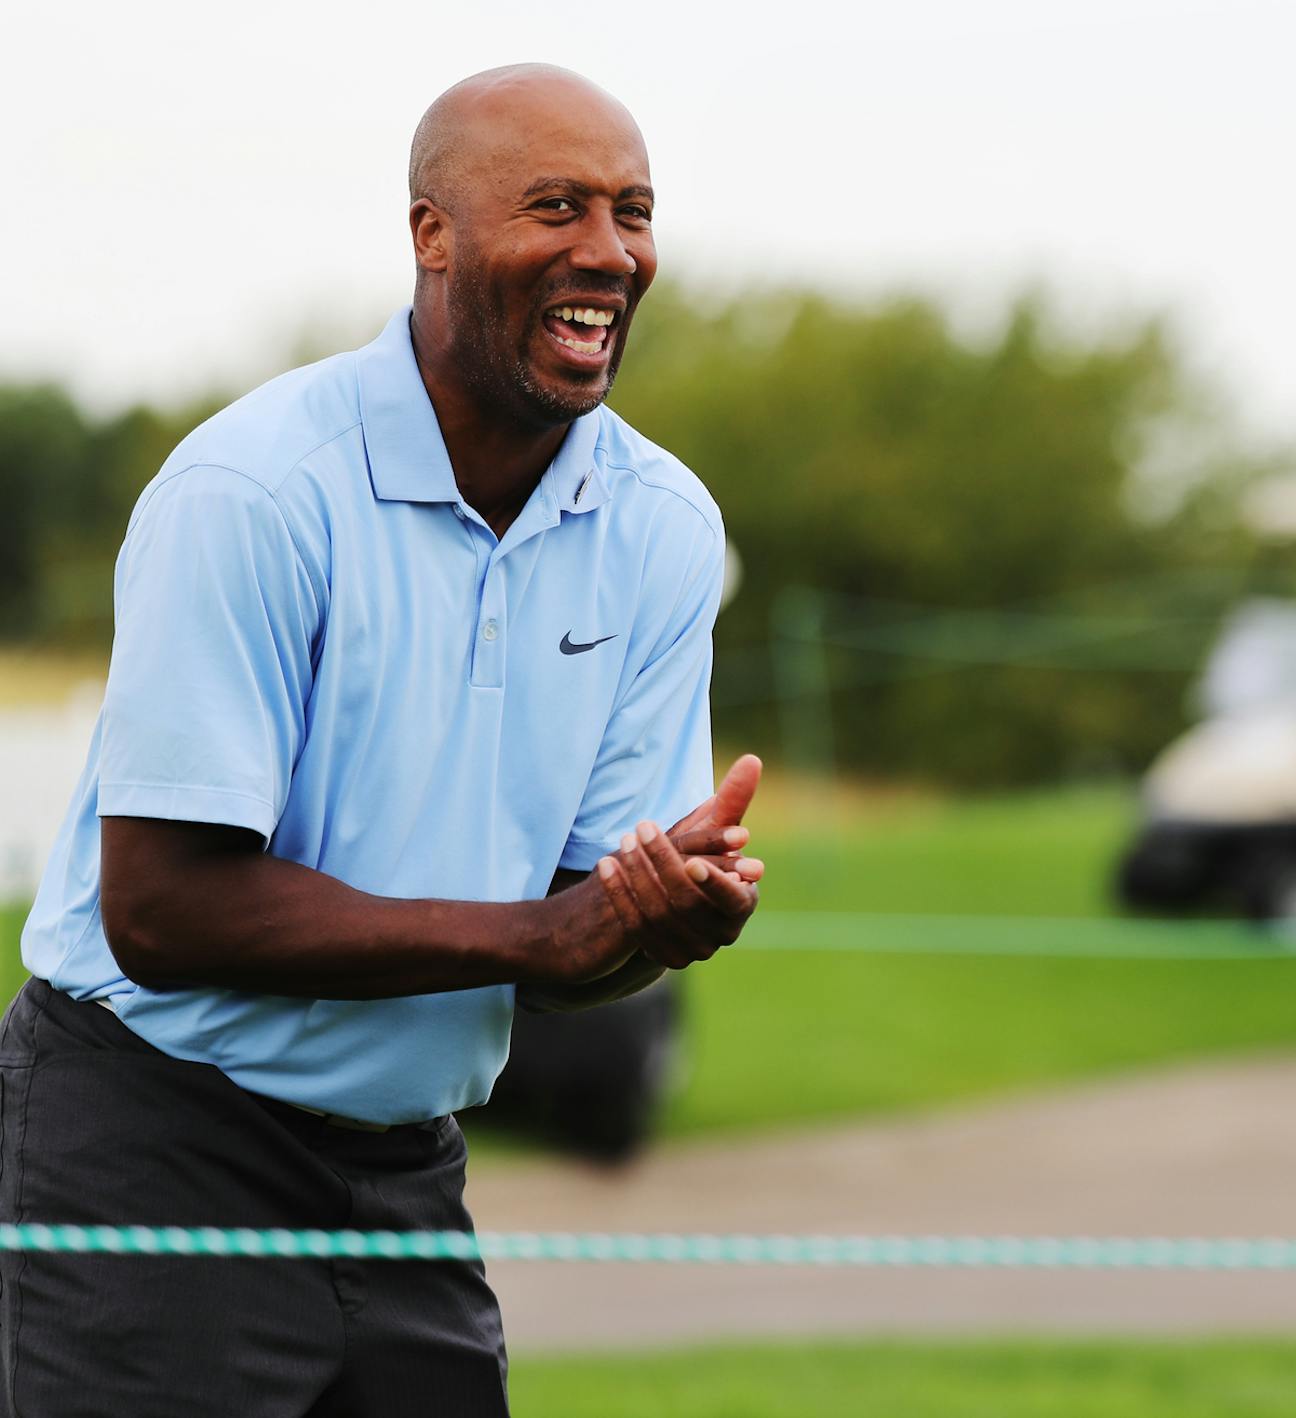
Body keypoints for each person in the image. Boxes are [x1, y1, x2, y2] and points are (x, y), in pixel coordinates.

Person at [0, 65, 759, 1416]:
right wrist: (541, 938)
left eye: (634, 212)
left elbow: (571, 939)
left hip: (405, 1171)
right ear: (433, 235)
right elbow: (162, 910)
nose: (609, 251)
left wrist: (650, 922)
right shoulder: (254, 490)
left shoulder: (663, 528)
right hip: (148, 1143)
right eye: (556, 206)